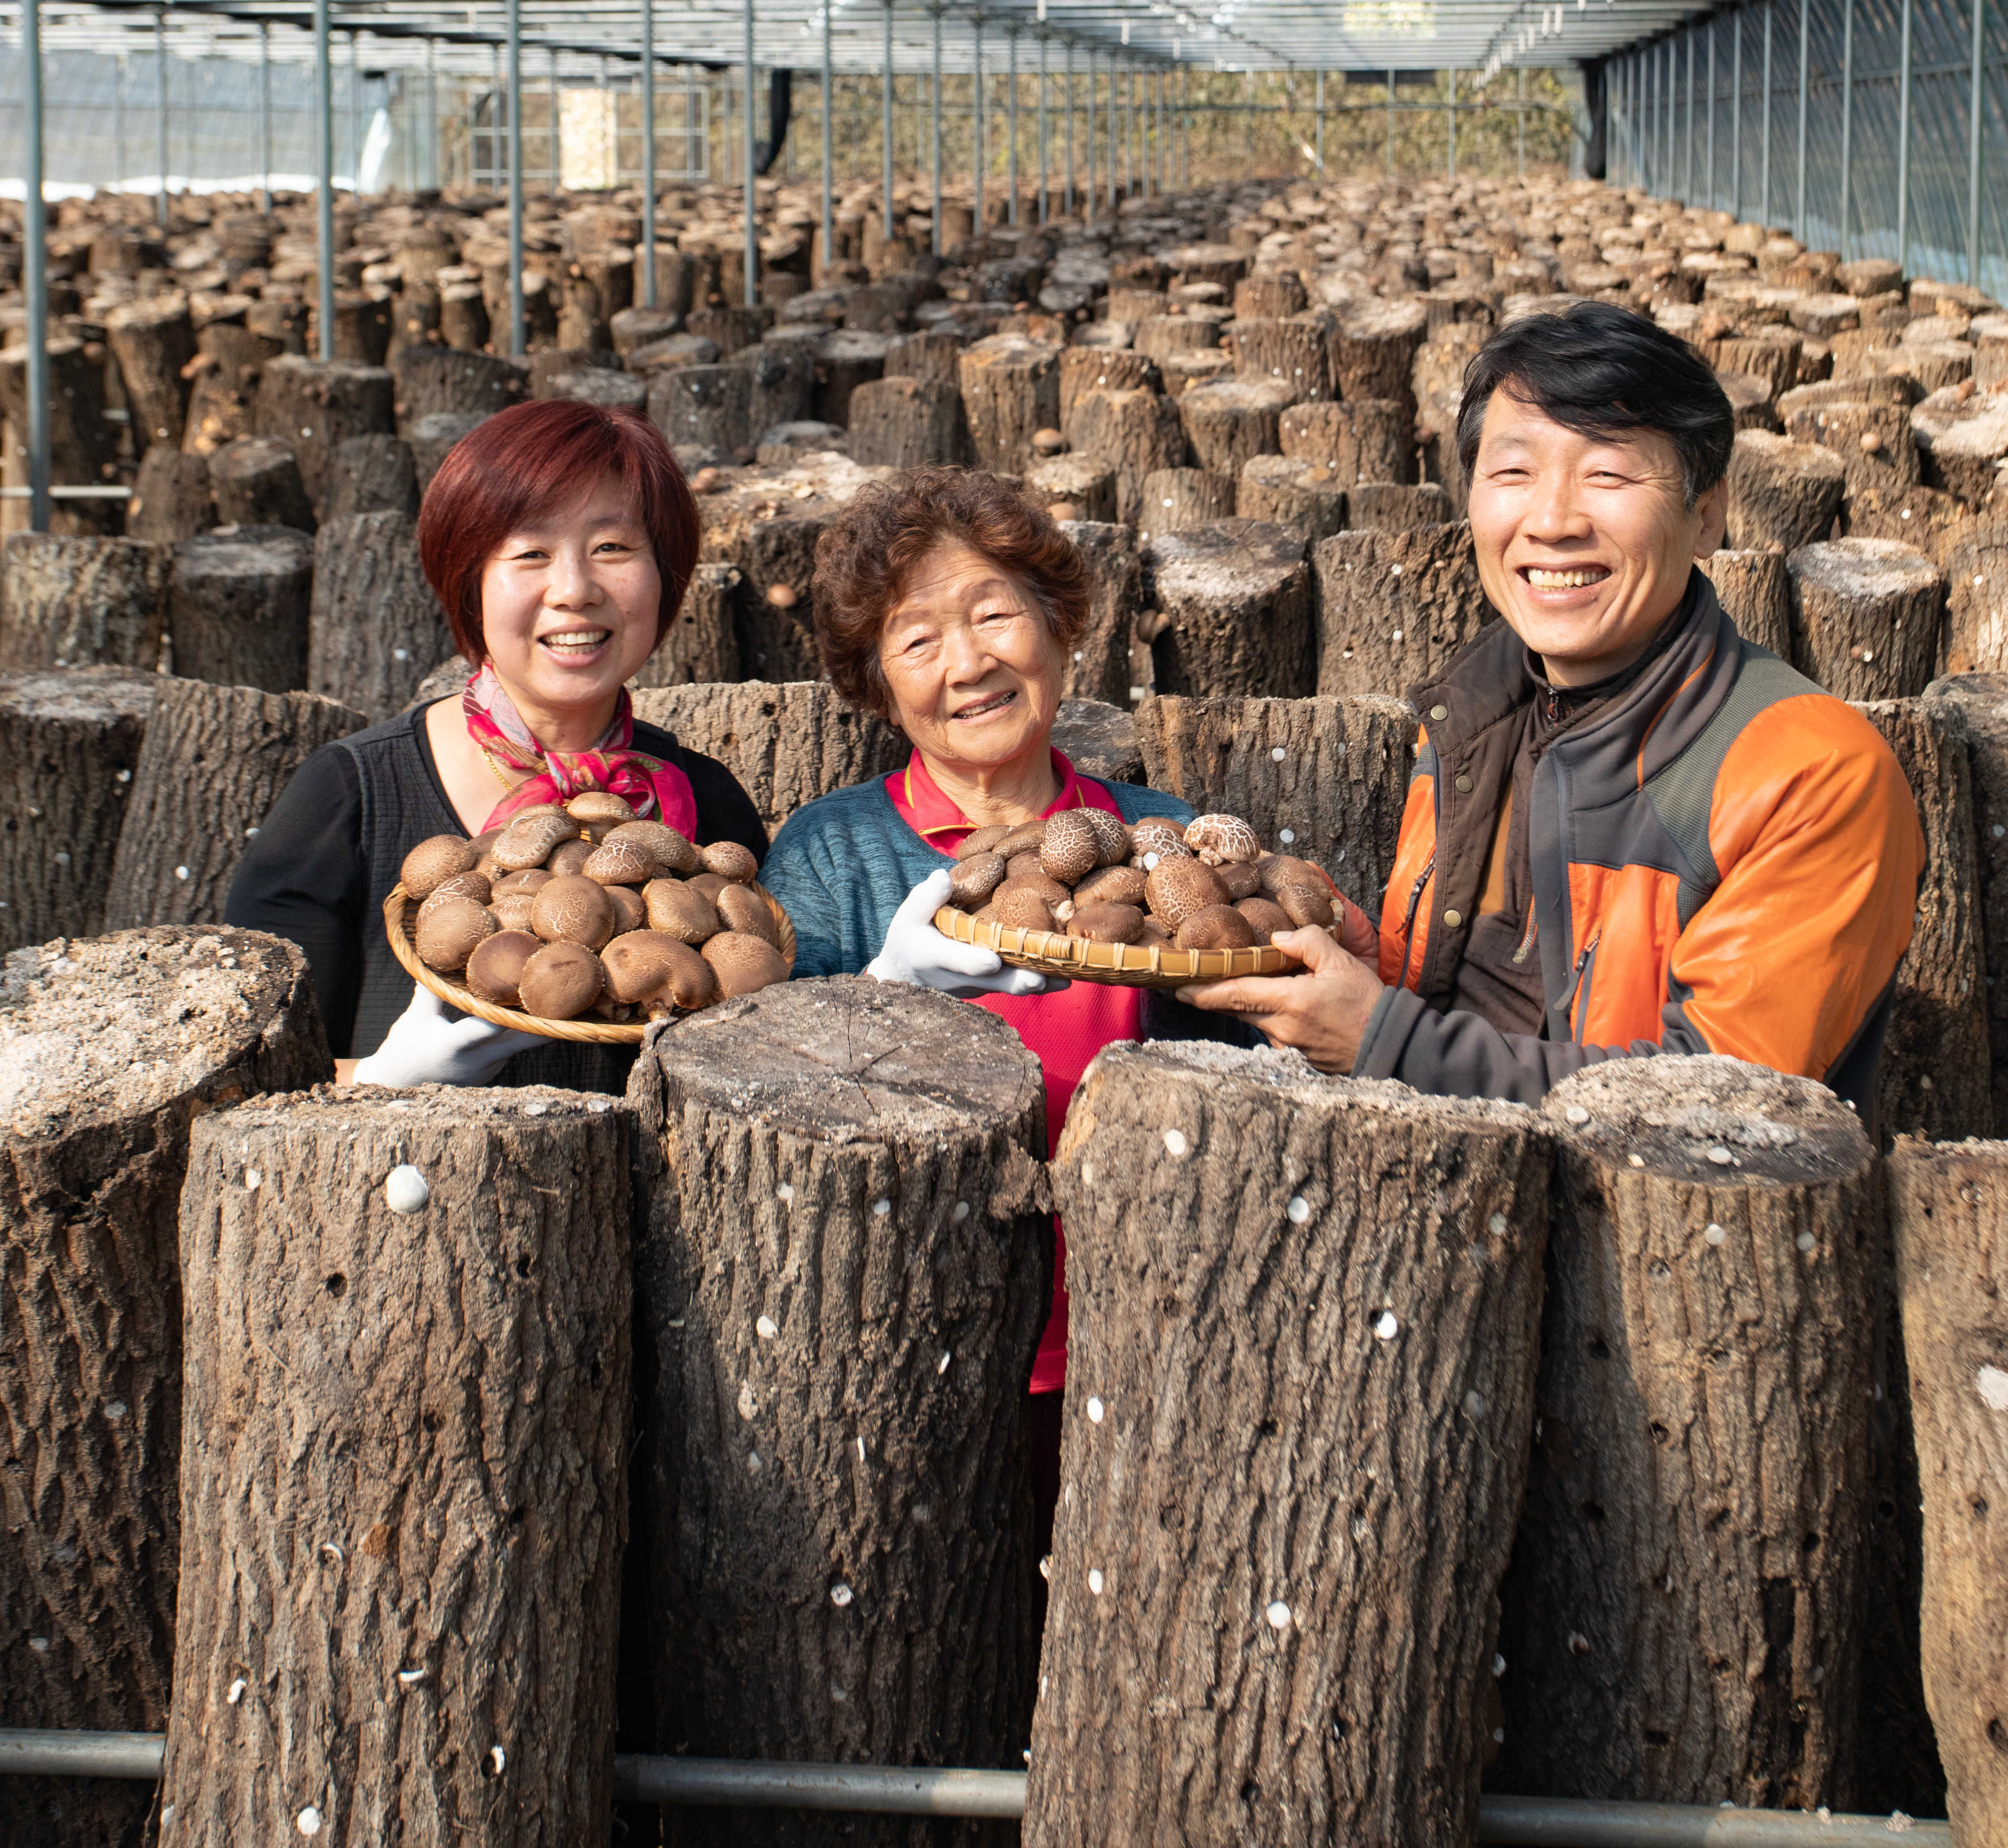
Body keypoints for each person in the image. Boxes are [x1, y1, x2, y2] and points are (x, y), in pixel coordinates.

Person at [1187, 299, 1926, 1112]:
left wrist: (1381, 1039)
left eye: (1607, 474)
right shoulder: (1474, 716)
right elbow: (1488, 1006)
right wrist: (1380, 975)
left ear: (1707, 515)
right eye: (1514, 473)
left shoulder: (1813, 774)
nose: (1552, 521)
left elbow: (1720, 1105)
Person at [757, 466, 1223, 1497]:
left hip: (1134, 1324)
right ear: (878, 686)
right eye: (917, 641)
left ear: (1060, 632)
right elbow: (770, 1108)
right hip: (911, 1330)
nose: (967, 662)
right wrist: (888, 989)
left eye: (995, 615)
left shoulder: (1156, 830)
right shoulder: (831, 853)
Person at [227, 398, 768, 1090]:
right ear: (469, 584)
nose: (574, 590)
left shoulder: (706, 800)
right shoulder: (347, 797)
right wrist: (379, 1080)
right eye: (531, 554)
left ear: (664, 577)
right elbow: (248, 1083)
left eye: (611, 548)